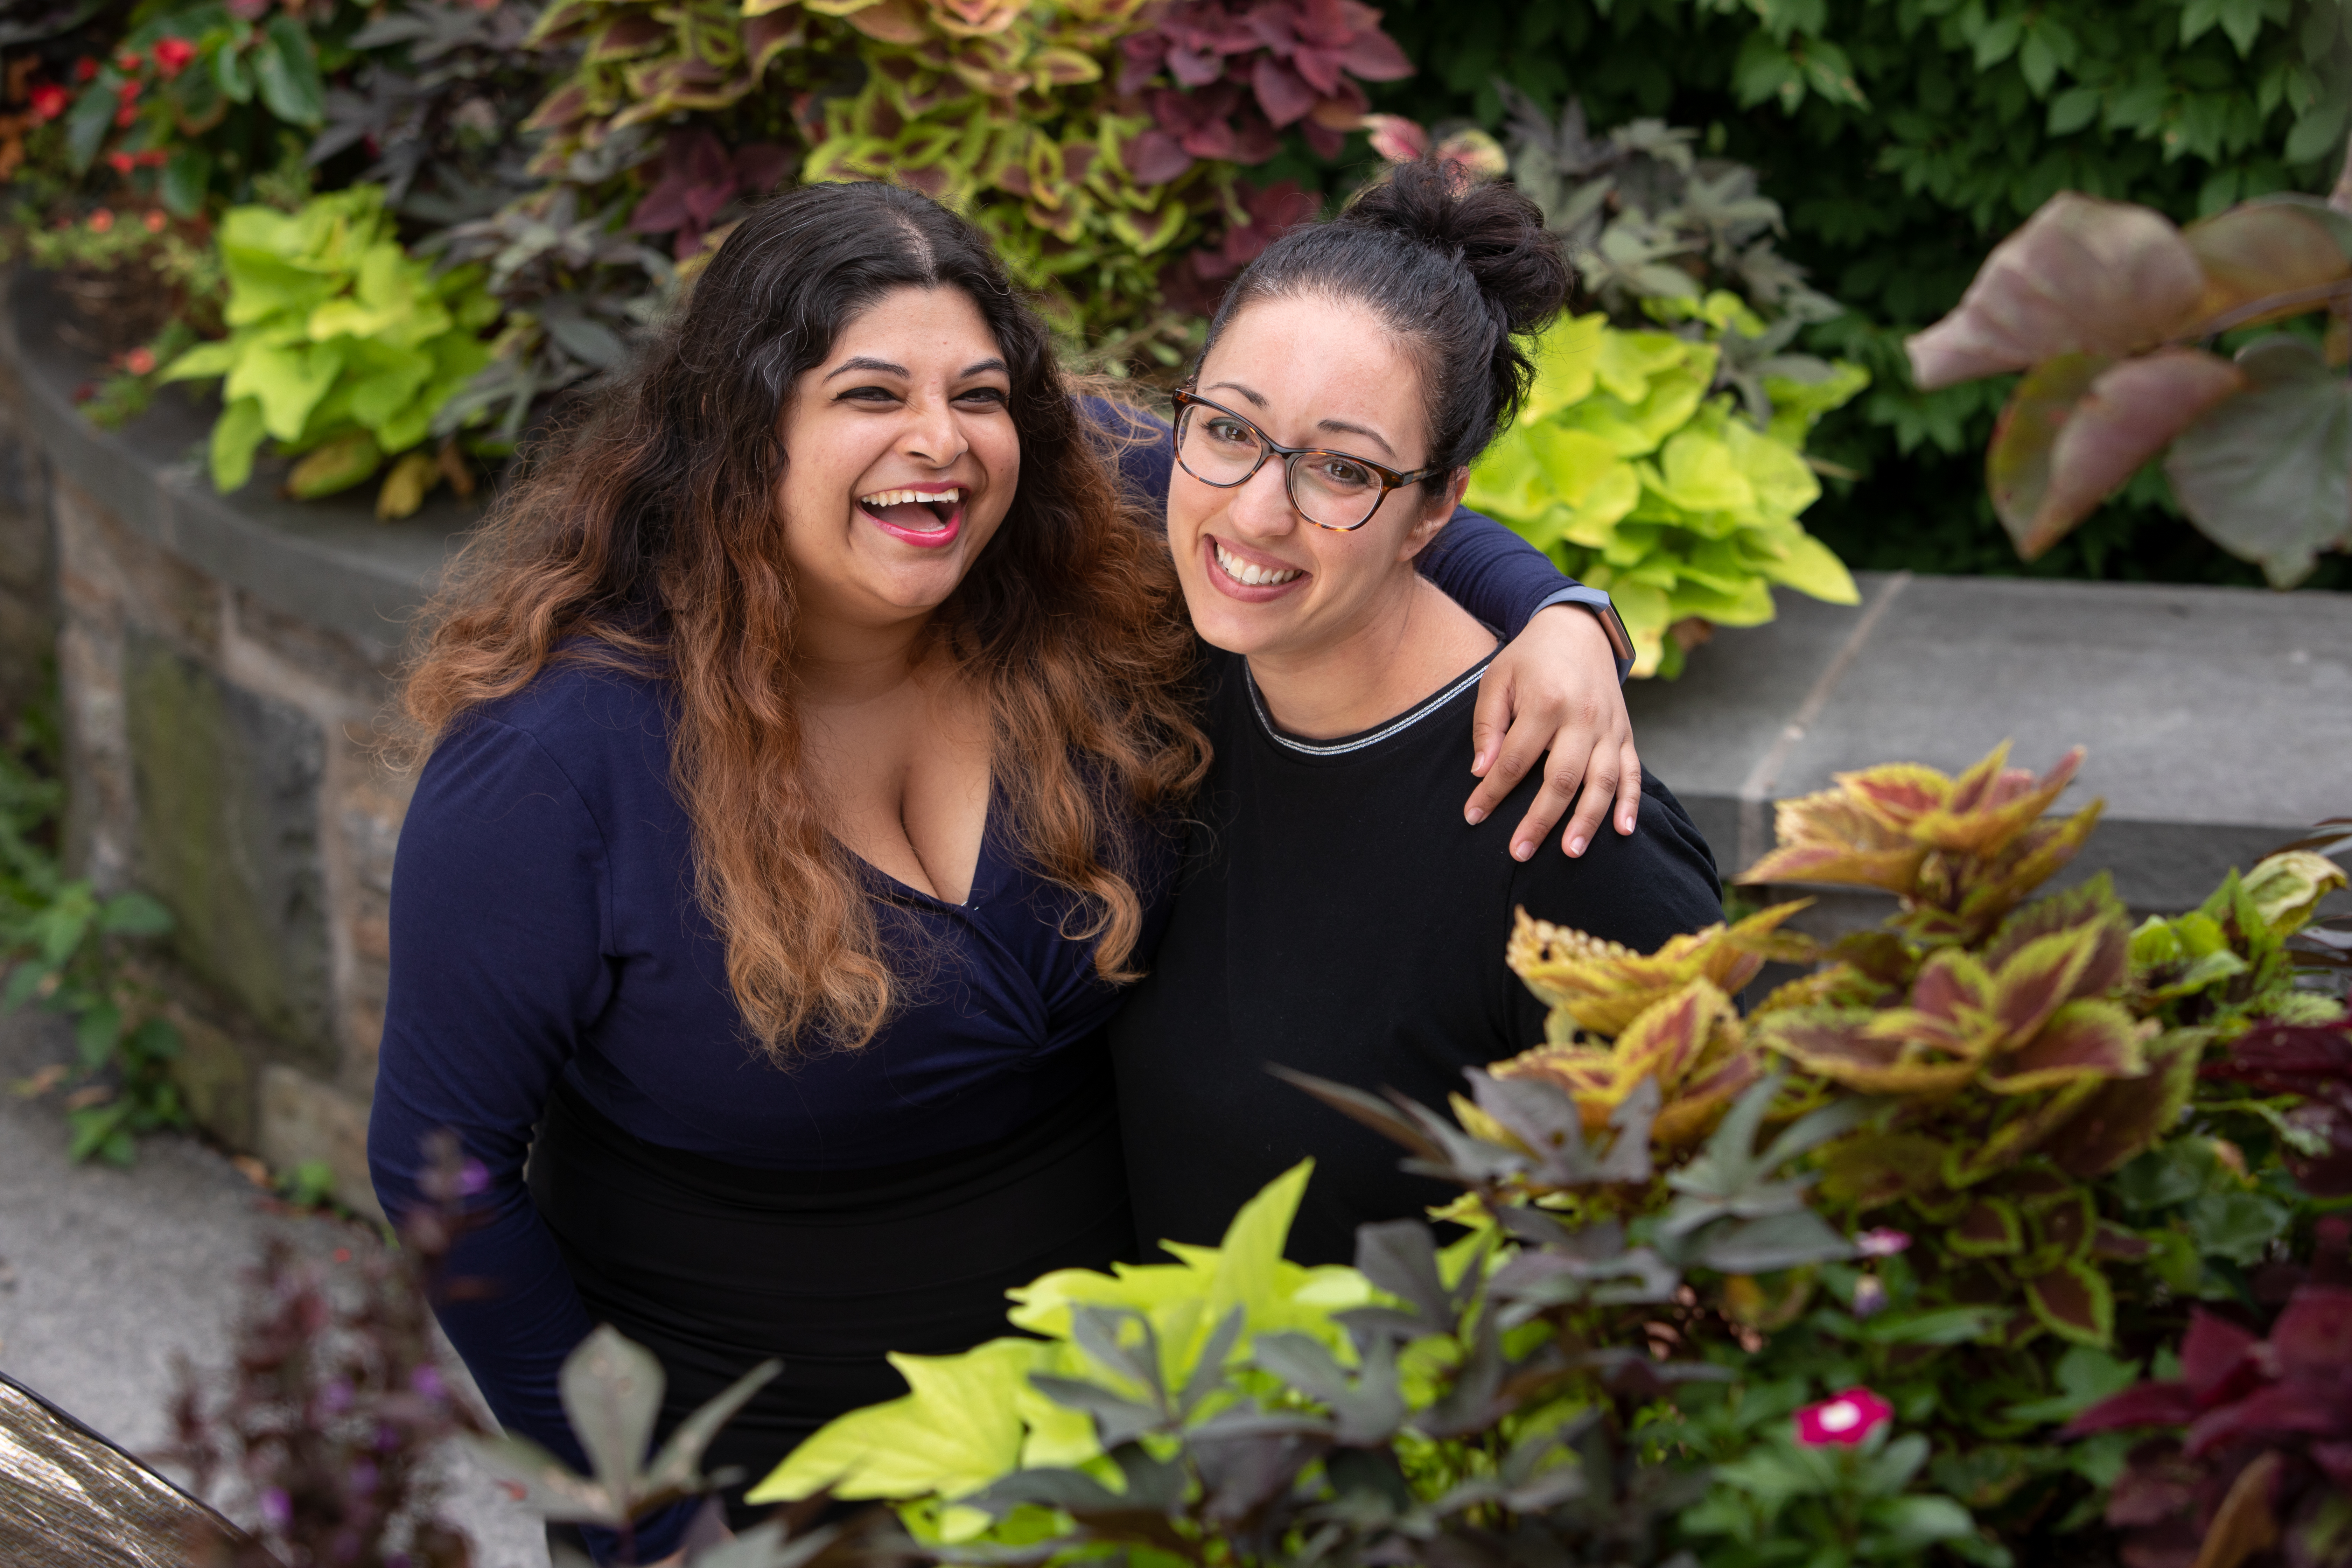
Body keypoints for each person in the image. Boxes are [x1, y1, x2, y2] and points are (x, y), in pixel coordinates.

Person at [365, 180, 1636, 1559]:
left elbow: (1337, 491)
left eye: (979, 393)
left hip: (1124, 1438)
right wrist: (647, 1516)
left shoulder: (1081, 530)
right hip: (772, 1489)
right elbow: (444, 1171)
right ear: (741, 427)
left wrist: (1557, 614)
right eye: (868, 394)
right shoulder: (558, 763)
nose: (941, 443)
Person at [1110, 162, 1728, 1269]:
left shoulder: (1563, 830)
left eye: (1342, 470)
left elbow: (1712, 1241)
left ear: (1438, 503)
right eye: (1229, 431)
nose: (1256, 510)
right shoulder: (1176, 675)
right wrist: (1566, 604)